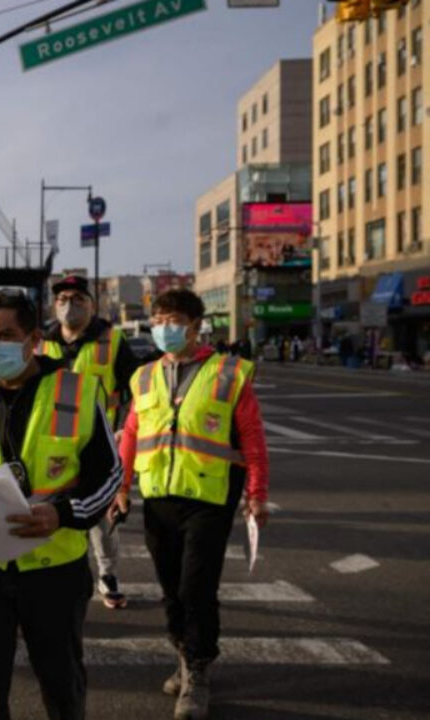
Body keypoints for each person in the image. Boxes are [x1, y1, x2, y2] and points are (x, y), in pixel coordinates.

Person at [0, 291, 122, 720]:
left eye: (6, 334)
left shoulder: (77, 389)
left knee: (61, 681)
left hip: (54, 571)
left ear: (34, 338)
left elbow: (109, 474)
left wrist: (64, 515)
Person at [116, 288, 269, 720]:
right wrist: (122, 488)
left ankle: (199, 671)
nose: (165, 328)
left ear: (197, 325)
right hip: (159, 495)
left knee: (196, 586)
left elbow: (253, 440)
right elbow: (131, 433)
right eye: (159, 320)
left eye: (175, 320)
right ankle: (182, 655)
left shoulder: (228, 372)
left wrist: (257, 494)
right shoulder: (143, 375)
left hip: (209, 498)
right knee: (170, 588)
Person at [37, 274, 139, 610]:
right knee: (53, 513)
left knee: (101, 516)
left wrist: (126, 426)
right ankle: (53, 577)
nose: (70, 304)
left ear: (92, 305)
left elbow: (137, 389)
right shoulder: (41, 342)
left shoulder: (111, 341)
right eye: (63, 298)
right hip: (50, 445)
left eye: (78, 298)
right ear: (55, 304)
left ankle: (107, 575)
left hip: (98, 441)